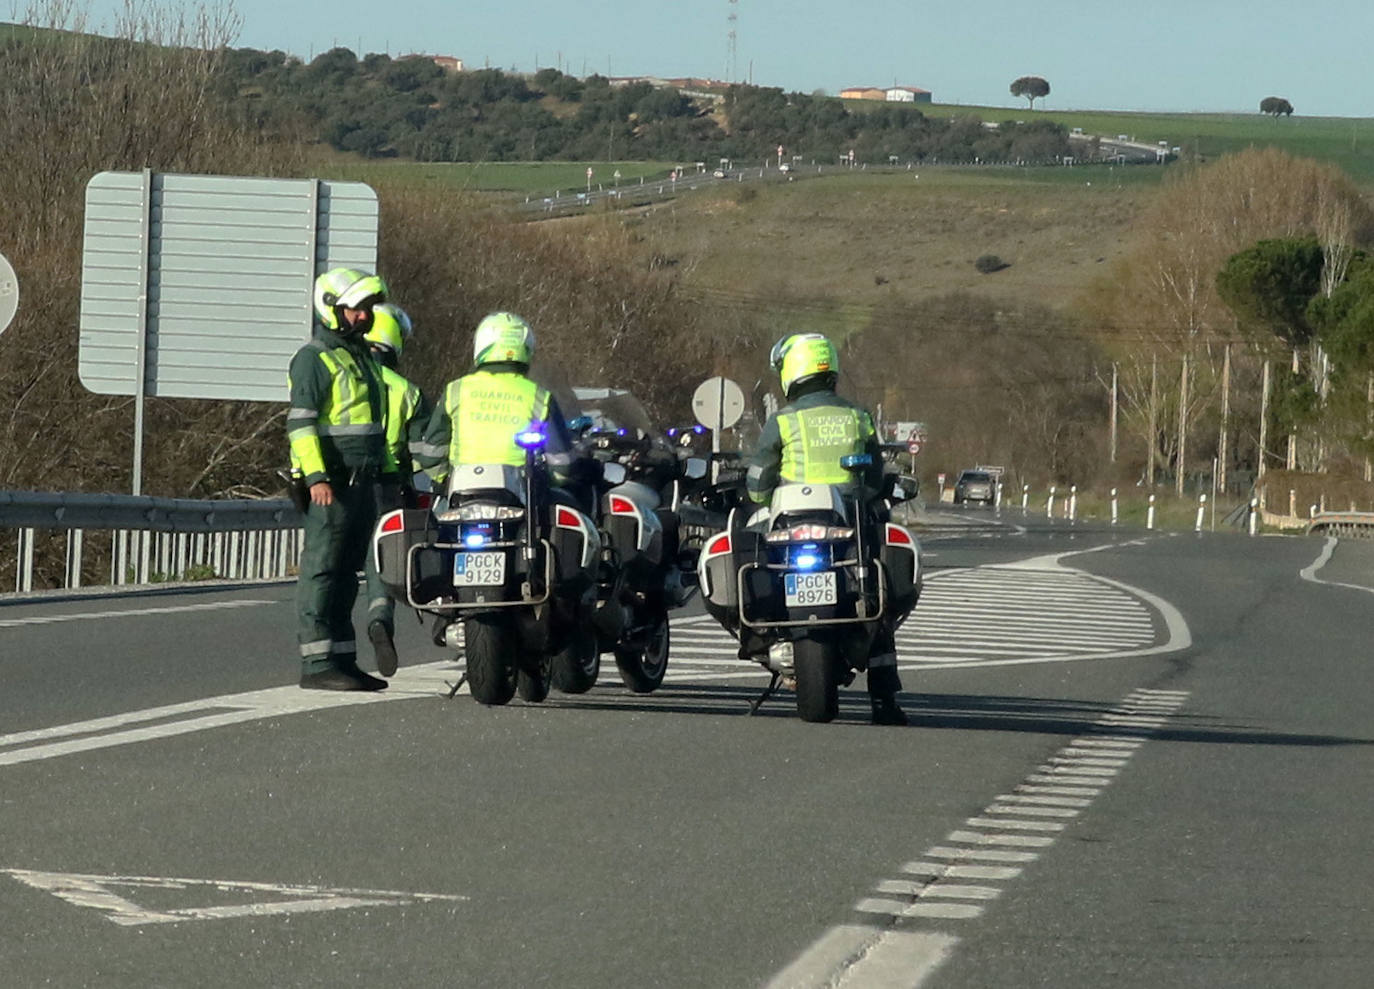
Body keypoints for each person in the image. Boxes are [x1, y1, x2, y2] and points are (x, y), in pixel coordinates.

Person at [745, 332, 907, 725]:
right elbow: (874, 475)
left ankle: (763, 636)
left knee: (759, 563)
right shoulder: (857, 416)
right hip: (848, 523)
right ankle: (884, 699)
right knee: (878, 600)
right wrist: (866, 496)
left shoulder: (783, 421)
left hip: (791, 525)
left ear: (790, 372)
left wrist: (759, 497)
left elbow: (758, 482)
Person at [287, 267, 390, 691]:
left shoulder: (360, 355)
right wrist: (316, 477)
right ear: (331, 308)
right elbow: (301, 425)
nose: (364, 316)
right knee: (322, 570)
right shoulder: (314, 357)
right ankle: (316, 664)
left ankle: (343, 660)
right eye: (356, 309)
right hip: (333, 481)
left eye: (367, 308)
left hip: (363, 481)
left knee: (348, 571)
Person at [360, 302, 432, 677]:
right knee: (379, 558)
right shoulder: (408, 392)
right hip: (387, 484)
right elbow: (422, 456)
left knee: (330, 565)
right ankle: (379, 618)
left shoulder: (345, 379)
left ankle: (327, 645)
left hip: (337, 482)